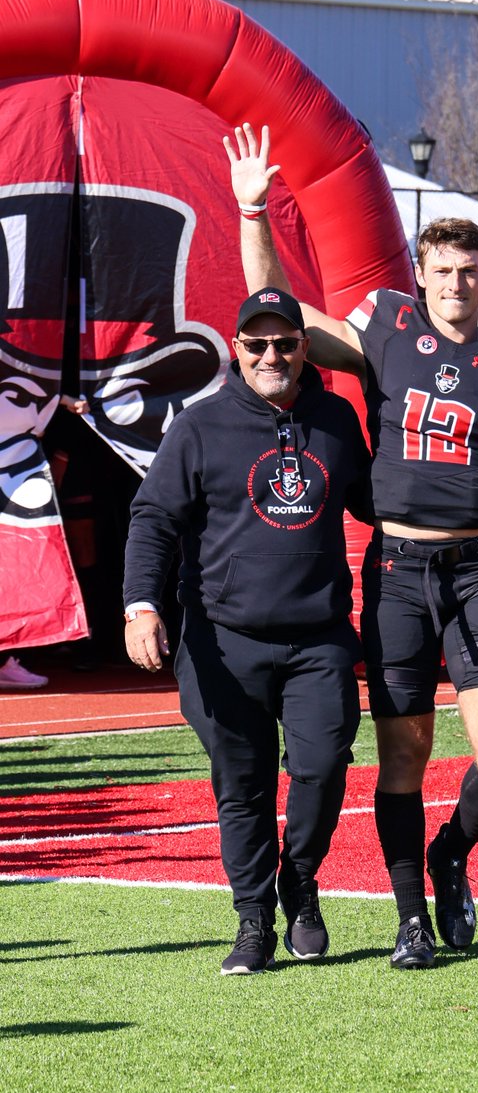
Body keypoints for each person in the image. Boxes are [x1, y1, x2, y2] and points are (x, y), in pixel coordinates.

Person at [225, 124, 478, 970]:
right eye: (443, 271)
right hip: (400, 568)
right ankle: (410, 917)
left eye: (470, 271)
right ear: (422, 275)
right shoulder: (385, 327)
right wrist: (252, 210)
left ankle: (454, 851)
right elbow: (278, 310)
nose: (457, 283)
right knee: (406, 751)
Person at [123, 289, 371, 975]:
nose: (272, 356)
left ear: (303, 346)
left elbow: (381, 500)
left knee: (321, 768)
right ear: (236, 349)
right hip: (222, 638)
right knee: (244, 782)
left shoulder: (337, 419)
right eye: (256, 344)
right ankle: (253, 919)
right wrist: (140, 604)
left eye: (284, 342)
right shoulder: (200, 426)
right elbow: (153, 520)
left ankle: (301, 878)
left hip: (318, 636)